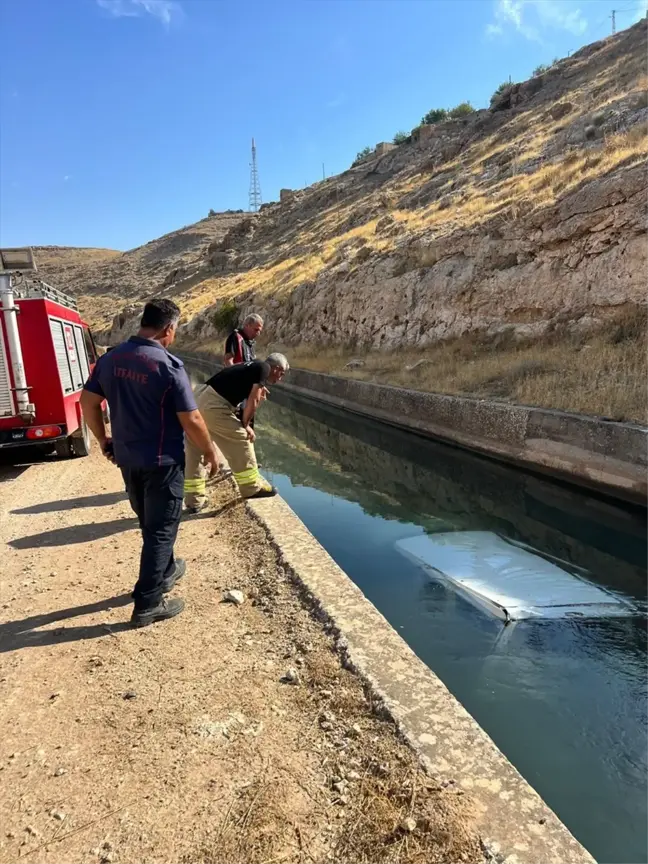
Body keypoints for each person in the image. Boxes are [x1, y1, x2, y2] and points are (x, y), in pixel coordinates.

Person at [80, 298, 220, 628]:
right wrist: (210, 451)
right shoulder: (168, 366)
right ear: (168, 329)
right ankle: (148, 603)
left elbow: (88, 403)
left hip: (127, 461)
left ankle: (168, 570)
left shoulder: (112, 359)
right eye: (175, 331)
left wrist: (103, 439)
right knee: (160, 530)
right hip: (163, 462)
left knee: (151, 523)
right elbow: (193, 419)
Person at [184, 354, 289, 512]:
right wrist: (245, 426)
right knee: (240, 439)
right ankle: (251, 488)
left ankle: (194, 500)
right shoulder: (263, 367)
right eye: (281, 374)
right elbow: (252, 401)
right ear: (276, 368)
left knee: (194, 449)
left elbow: (239, 399)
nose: (279, 379)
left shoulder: (249, 367)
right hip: (212, 404)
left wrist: (244, 420)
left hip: (197, 398)